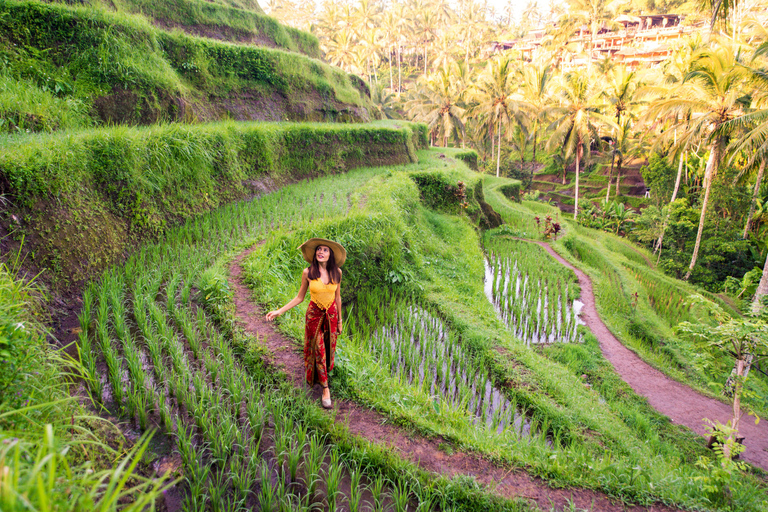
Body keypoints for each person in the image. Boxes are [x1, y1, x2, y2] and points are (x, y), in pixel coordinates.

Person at [265, 238, 345, 409]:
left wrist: (339, 321)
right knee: (318, 349)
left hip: (331, 317)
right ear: (315, 254)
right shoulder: (308, 272)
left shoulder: (337, 272)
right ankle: (325, 389)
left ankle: (321, 375)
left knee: (329, 350)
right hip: (314, 316)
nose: (321, 252)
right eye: (319, 250)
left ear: (330, 255)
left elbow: (337, 298)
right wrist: (280, 311)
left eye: (325, 250)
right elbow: (300, 297)